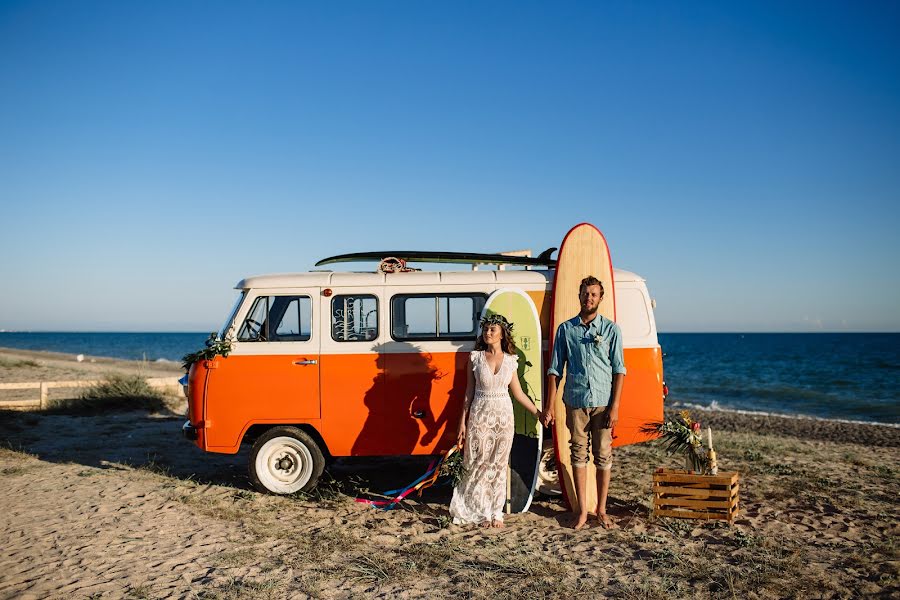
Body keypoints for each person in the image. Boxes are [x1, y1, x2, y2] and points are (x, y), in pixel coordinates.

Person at [542, 275, 626, 530]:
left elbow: (619, 370)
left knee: (603, 455)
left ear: (601, 298)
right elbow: (555, 370)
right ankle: (581, 512)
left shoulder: (611, 330)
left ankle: (601, 509)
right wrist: (549, 406)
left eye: (593, 294)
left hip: (603, 403)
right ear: (579, 296)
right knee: (578, 454)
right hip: (575, 401)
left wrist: (615, 406)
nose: (589, 298)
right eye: (585, 293)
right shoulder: (566, 330)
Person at [450, 313, 542, 528]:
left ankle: (496, 512)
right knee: (477, 462)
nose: (487, 333)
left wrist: (538, 413)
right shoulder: (475, 358)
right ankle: (480, 511)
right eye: (486, 329)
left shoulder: (511, 361)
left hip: (503, 418)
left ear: (502, 334)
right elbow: (468, 393)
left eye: (492, 329)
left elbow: (518, 394)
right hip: (480, 414)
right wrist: (462, 422)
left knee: (499, 465)